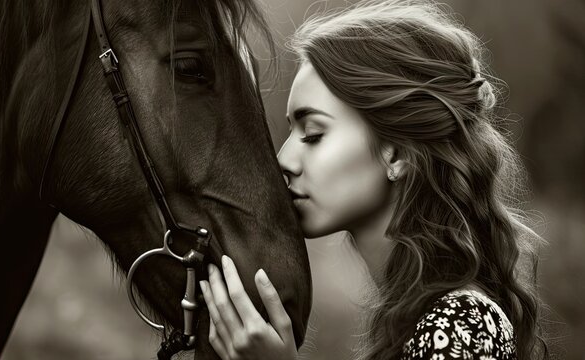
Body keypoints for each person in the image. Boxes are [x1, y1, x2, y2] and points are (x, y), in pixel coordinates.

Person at [198, 0, 548, 359]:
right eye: (291, 131)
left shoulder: (464, 324)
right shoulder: (421, 321)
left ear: (397, 153)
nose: (283, 160)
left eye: (314, 133)